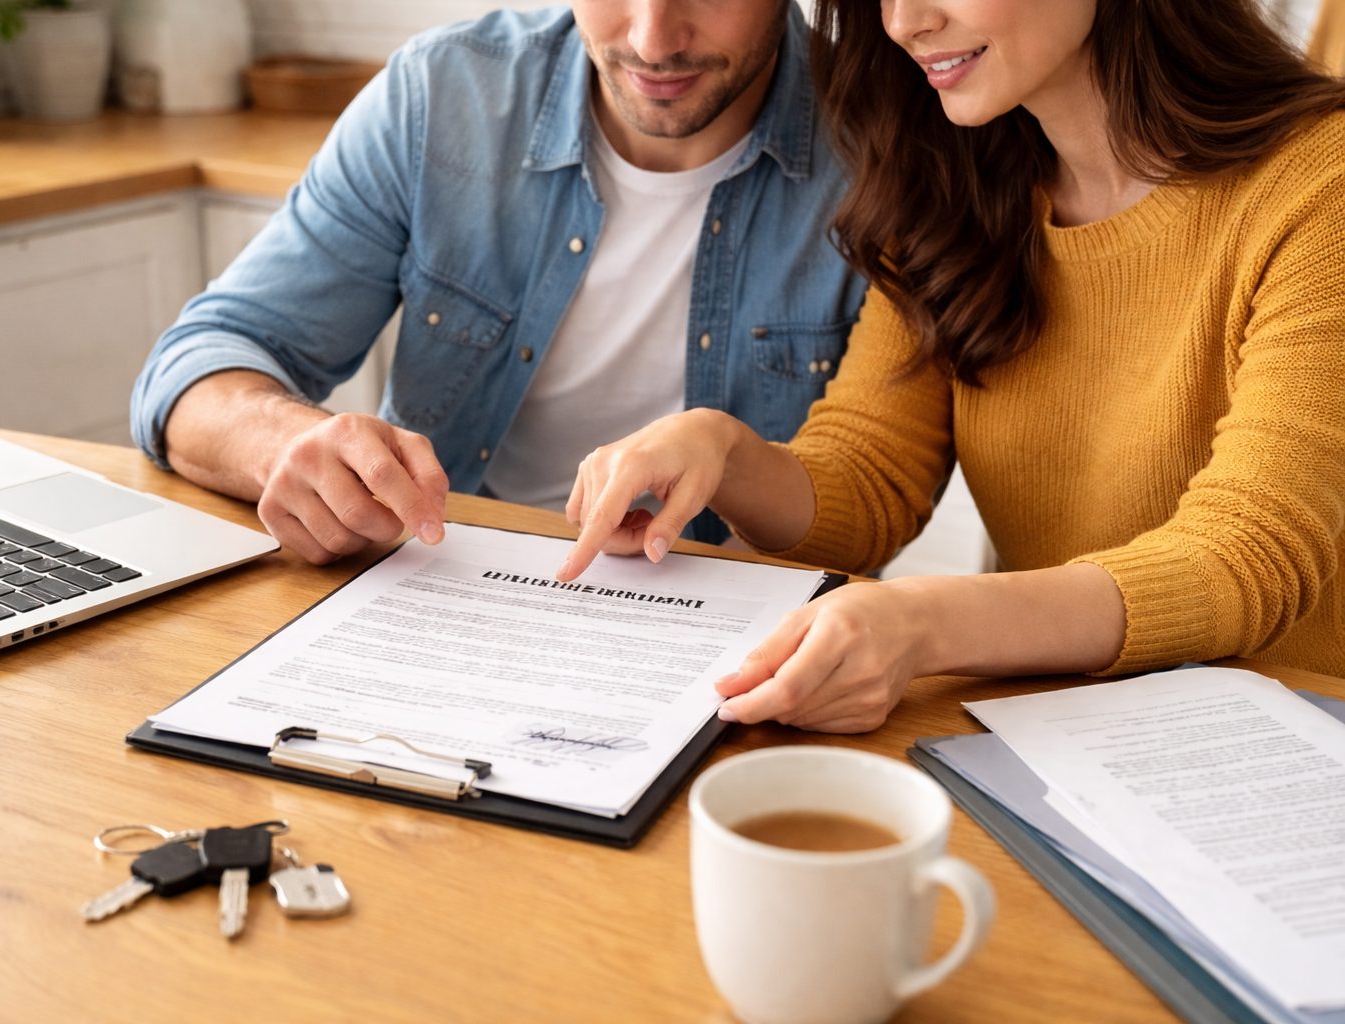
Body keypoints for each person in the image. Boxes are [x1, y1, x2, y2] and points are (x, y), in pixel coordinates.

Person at [556, 0, 1345, 733]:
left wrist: (925, 623)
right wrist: (722, 453)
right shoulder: (959, 178)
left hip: (1291, 760)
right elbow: (868, 479)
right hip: (1058, 740)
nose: (905, 22)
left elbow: (1250, 555)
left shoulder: (1320, 185)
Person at [129, 1, 863, 565]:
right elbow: (197, 365)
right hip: (447, 586)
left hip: (746, 639)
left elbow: (876, 501)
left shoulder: (884, 151)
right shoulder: (443, 96)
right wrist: (290, 444)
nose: (652, 41)